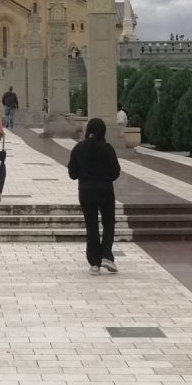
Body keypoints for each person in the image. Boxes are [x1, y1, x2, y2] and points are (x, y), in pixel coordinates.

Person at [67, 116, 121, 274]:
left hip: (85, 191)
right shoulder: (107, 148)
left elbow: (72, 173)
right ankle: (106, 256)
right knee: (109, 223)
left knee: (91, 226)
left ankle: (94, 263)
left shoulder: (78, 148)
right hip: (105, 190)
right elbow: (115, 172)